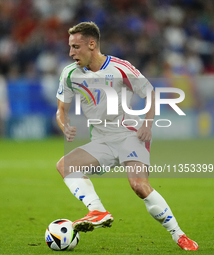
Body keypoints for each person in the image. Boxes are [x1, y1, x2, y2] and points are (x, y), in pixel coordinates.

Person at [55, 22, 198, 251]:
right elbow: (61, 109)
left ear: (91, 44)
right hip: (101, 140)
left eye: (75, 46)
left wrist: (148, 124)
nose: (71, 53)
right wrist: (65, 125)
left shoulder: (120, 68)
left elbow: (150, 92)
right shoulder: (70, 74)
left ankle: (179, 235)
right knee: (65, 165)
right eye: (70, 47)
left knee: (139, 186)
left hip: (129, 135)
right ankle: (97, 210)